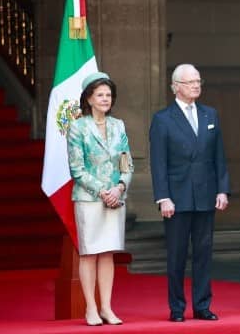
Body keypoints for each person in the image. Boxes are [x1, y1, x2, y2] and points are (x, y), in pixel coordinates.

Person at [149, 63, 230, 322]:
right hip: (177, 197)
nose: (196, 85)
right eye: (190, 82)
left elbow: (219, 157)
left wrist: (223, 189)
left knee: (204, 253)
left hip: (206, 195)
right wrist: (163, 197)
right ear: (176, 87)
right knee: (177, 255)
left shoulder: (210, 115)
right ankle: (176, 308)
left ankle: (203, 305)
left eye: (198, 81)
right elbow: (158, 162)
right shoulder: (163, 119)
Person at [67, 71, 133, 326]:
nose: (106, 99)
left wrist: (119, 188)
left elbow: (126, 163)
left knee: (108, 253)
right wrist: (102, 191)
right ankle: (90, 308)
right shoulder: (77, 127)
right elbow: (77, 169)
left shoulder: (119, 125)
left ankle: (106, 307)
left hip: (116, 198)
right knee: (89, 253)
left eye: (108, 95)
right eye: (100, 95)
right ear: (89, 98)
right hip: (89, 199)